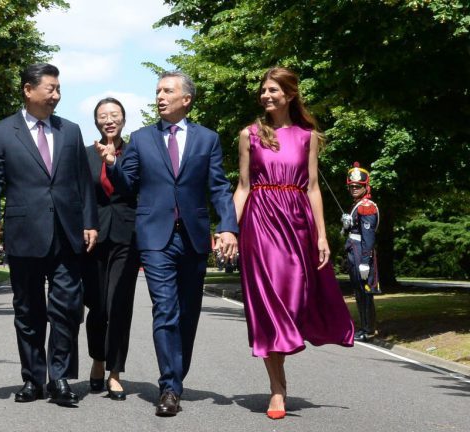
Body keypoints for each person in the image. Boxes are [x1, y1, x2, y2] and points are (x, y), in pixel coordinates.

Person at [96, 71, 239, 416]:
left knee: (188, 313)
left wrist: (229, 227)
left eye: (167, 91)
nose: (159, 96)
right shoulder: (142, 138)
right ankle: (169, 386)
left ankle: (178, 375)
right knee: (165, 309)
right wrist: (113, 164)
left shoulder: (208, 139)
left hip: (193, 236)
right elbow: (127, 184)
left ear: (186, 99)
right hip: (155, 237)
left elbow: (218, 187)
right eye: (157, 91)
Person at [232, 67, 354, 420]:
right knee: (269, 302)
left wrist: (321, 234)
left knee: (294, 298)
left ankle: (283, 365)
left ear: (290, 94)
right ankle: (277, 389)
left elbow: (313, 187)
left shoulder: (308, 136)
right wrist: (228, 228)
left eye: (273, 90)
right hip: (260, 222)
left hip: (298, 223)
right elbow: (243, 187)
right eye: (263, 90)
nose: (266, 96)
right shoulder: (249, 135)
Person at [0, 63, 98, 406]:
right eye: (50, 88)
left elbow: (83, 182)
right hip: (24, 233)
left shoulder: (71, 131)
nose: (56, 95)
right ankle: (33, 379)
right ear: (28, 90)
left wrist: (89, 222)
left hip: (66, 233)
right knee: (28, 311)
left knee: (66, 309)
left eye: (59, 89)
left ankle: (60, 379)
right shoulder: (2, 132)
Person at [83, 98, 141, 401]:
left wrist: (113, 162)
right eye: (103, 116)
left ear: (123, 119)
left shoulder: (135, 151)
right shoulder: (84, 155)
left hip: (127, 236)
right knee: (98, 306)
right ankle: (98, 359)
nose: (109, 120)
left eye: (114, 115)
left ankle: (116, 372)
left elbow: (135, 188)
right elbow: (80, 195)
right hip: (92, 238)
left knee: (119, 304)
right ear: (95, 122)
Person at [343, 162, 380, 341]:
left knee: (365, 292)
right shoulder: (357, 205)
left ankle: (369, 330)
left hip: (361, 253)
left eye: (358, 186)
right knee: (358, 291)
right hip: (354, 251)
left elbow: (368, 238)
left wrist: (366, 261)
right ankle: (365, 327)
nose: (354, 189)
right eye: (352, 186)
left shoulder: (367, 206)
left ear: (366, 187)